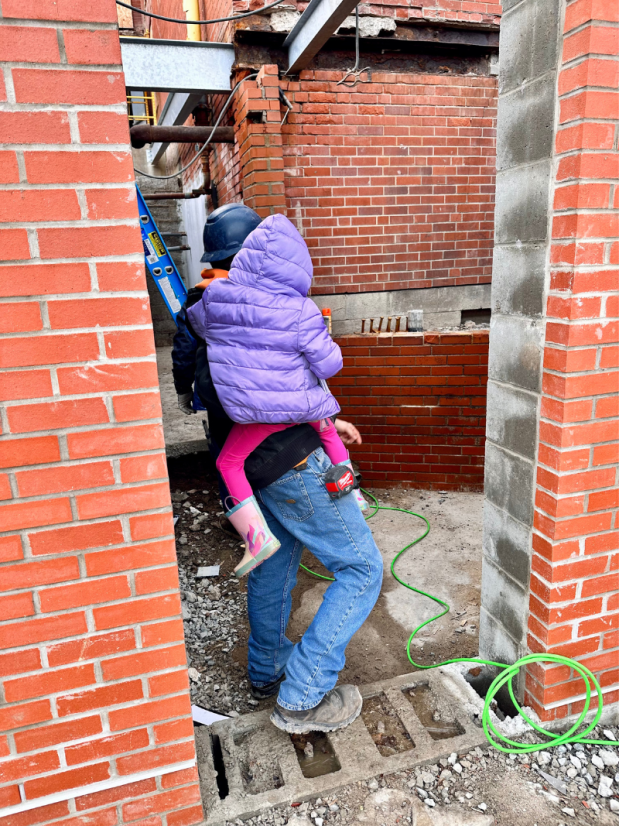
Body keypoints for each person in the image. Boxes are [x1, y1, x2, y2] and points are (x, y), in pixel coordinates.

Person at [171, 203, 383, 734]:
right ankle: (304, 695)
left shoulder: (206, 307)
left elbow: (241, 385)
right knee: (361, 570)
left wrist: (328, 417)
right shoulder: (275, 304)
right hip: (290, 460)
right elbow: (296, 376)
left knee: (273, 566)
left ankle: (265, 670)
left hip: (244, 463)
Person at [187, 212, 363, 577]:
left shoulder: (216, 296)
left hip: (258, 413)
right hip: (302, 404)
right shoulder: (302, 309)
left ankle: (256, 539)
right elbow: (329, 366)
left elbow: (197, 324)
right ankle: (354, 492)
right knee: (328, 429)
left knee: (227, 463)